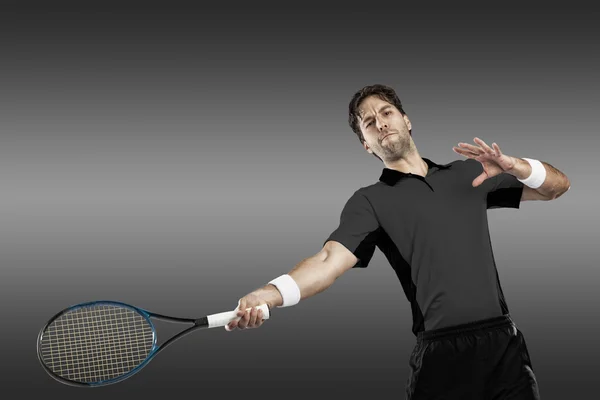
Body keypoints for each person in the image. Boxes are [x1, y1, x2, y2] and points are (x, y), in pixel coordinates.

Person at [224, 84, 570, 399]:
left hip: (502, 347)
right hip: (441, 354)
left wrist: (518, 165)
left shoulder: (470, 173)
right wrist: (268, 294)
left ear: (406, 120)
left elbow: (556, 187)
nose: (381, 123)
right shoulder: (370, 201)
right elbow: (328, 262)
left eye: (386, 113)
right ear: (366, 144)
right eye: (369, 123)